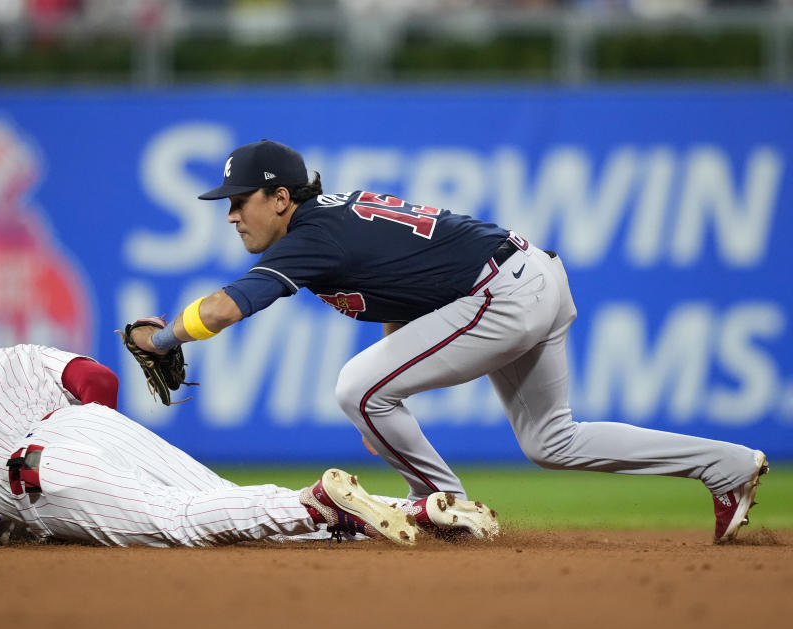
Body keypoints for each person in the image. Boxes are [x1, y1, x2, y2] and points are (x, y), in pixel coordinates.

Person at [129, 139, 769, 544]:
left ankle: (443, 503)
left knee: (357, 386)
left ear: (282, 196)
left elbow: (227, 306)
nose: (232, 213)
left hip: (505, 292)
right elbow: (409, 296)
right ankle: (728, 466)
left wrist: (165, 337)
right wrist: (385, 397)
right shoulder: (329, 223)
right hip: (529, 276)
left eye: (242, 200)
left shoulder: (312, 235)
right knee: (552, 441)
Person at [0, 289, 450, 549]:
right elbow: (97, 382)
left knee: (186, 523)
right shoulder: (16, 355)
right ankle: (414, 510)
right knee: (224, 500)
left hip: (42, 473)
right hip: (87, 426)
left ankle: (315, 503)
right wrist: (91, 440)